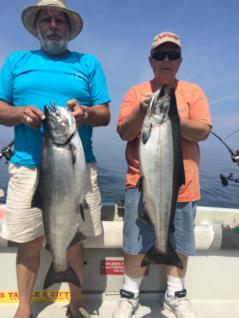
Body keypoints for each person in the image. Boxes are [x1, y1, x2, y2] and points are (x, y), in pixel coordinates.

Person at [0, 1, 110, 318]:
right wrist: (19, 113)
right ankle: (24, 307)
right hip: (26, 167)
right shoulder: (16, 61)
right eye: (45, 20)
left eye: (59, 20)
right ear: (36, 27)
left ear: (69, 28)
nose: (52, 25)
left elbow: (104, 114)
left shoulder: (89, 64)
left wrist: (86, 113)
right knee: (29, 241)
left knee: (75, 240)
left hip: (77, 167)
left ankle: (75, 304)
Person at [112, 32, 211, 318]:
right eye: (159, 55)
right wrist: (143, 112)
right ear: (151, 60)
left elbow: (203, 130)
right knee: (134, 243)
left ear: (179, 60)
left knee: (178, 243)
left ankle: (175, 294)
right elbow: (124, 132)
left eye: (172, 55)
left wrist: (173, 118)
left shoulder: (193, 92)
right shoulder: (136, 93)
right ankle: (129, 295)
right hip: (140, 184)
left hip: (184, 184)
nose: (166, 60)